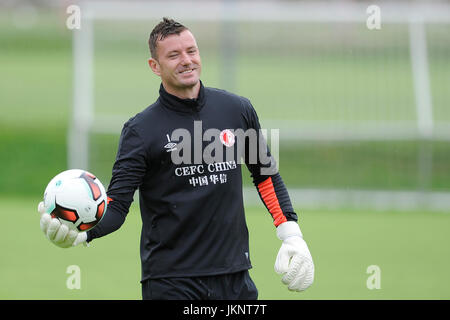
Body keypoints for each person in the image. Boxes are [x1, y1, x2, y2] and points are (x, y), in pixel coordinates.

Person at [37, 18, 314, 300]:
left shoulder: (237, 110)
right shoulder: (140, 130)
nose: (186, 60)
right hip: (171, 282)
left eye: (191, 51)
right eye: (174, 55)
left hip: (235, 277)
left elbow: (265, 174)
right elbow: (117, 206)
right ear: (154, 66)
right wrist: (84, 234)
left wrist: (291, 233)